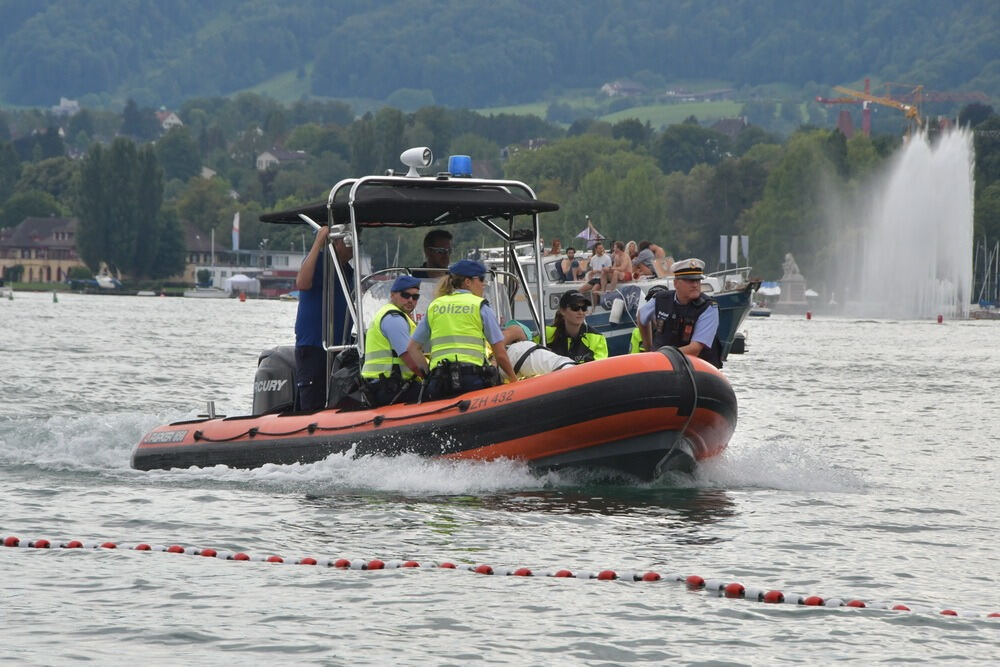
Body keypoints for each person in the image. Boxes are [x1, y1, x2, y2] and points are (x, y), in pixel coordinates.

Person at [405, 259, 518, 400]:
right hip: (472, 380)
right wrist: (514, 381)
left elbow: (412, 348)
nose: (483, 284)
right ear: (468, 282)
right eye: (481, 279)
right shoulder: (480, 306)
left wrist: (429, 376)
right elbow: (500, 353)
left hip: (439, 382)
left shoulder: (435, 306)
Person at [295, 225, 354, 411]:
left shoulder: (349, 271)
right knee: (312, 401)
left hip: (343, 346)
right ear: (338, 242)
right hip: (314, 345)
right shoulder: (319, 261)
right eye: (351, 241)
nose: (354, 246)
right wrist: (319, 242)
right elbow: (302, 283)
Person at [638, 258, 722, 368]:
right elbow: (641, 317)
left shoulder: (708, 308)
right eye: (690, 281)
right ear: (676, 283)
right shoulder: (660, 299)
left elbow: (694, 349)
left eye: (698, 280)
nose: (695, 285)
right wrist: (648, 348)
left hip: (696, 370)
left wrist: (659, 357)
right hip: (663, 366)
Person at [359, 275, 425, 406]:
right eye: (405, 295)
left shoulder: (394, 315)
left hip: (387, 383)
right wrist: (427, 376)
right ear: (393, 295)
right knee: (436, 393)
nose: (411, 300)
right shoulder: (394, 318)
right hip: (389, 386)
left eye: (415, 297)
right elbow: (408, 355)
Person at [534, 289, 608, 363]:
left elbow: (600, 368)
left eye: (584, 308)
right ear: (562, 311)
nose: (580, 312)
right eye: (575, 307)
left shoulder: (598, 338)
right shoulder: (545, 334)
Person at [579, 242, 612, 306]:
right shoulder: (593, 258)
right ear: (596, 249)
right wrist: (590, 276)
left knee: (593, 290)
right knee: (580, 290)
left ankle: (594, 307)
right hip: (594, 278)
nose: (601, 249)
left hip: (602, 278)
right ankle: (582, 305)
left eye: (602, 248)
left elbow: (609, 270)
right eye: (599, 248)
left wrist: (598, 271)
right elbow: (592, 271)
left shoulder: (607, 258)